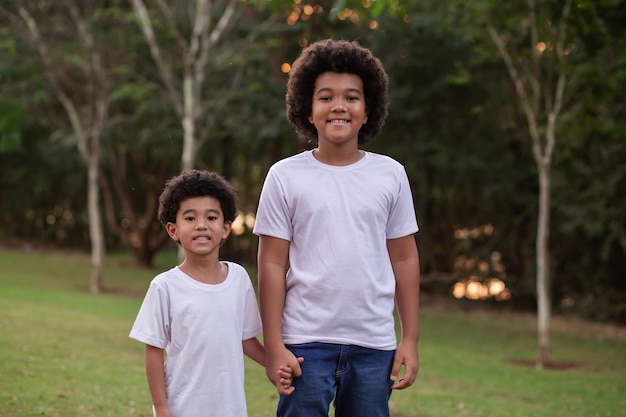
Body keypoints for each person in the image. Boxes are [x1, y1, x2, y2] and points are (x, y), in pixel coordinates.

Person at [253, 39, 421, 417]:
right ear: (307, 110)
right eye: (326, 97)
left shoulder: (390, 175)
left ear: (368, 109)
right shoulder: (284, 176)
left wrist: (409, 338)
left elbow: (405, 259)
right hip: (304, 344)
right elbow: (272, 265)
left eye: (352, 97)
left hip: (374, 344)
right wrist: (274, 345)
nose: (339, 106)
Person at [129, 169, 296, 417]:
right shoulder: (164, 287)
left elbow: (245, 339)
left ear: (225, 228)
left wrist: (273, 364)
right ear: (173, 230)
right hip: (182, 408)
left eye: (211, 217)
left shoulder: (238, 279)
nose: (201, 226)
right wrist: (162, 408)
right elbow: (153, 351)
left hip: (230, 408)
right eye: (189, 218)